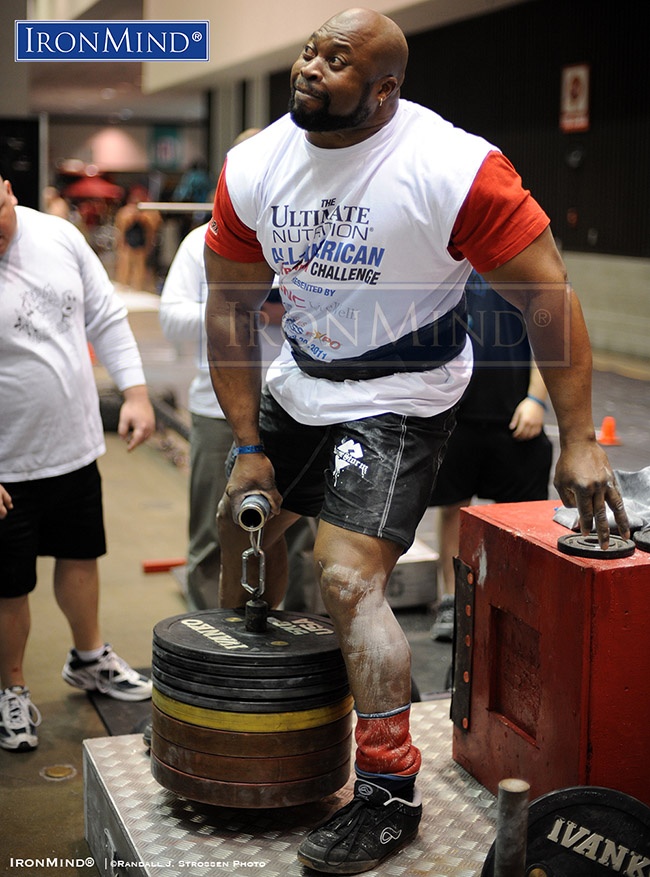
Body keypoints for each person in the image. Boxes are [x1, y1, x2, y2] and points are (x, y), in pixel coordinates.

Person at [203, 9, 628, 874]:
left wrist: (579, 437)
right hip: (302, 379)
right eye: (310, 50)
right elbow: (229, 309)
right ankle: (262, 718)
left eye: (337, 59)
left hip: (404, 392)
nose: (310, 68)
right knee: (243, 528)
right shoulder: (254, 165)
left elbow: (549, 294)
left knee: (349, 577)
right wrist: (248, 441)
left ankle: (388, 790)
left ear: (386, 87)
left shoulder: (453, 168)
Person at [0, 174, 156, 753]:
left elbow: (106, 317)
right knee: (10, 585)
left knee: (81, 555)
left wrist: (135, 393)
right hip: (6, 461)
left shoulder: (59, 236)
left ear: (11, 193)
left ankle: (88, 658)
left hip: (72, 445)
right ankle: (11, 689)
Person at [430, 270, 553, 641]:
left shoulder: (523, 273)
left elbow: (549, 342)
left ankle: (514, 601)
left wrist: (535, 401)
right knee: (454, 508)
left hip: (515, 420)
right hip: (456, 418)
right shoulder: (446, 271)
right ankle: (451, 601)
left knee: (519, 523)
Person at [114, 186, 161, 291]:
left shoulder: (150, 212)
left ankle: (137, 287)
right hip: (128, 242)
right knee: (124, 264)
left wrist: (143, 219)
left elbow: (153, 228)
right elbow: (120, 226)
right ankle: (123, 285)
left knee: (140, 266)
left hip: (141, 242)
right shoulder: (125, 211)